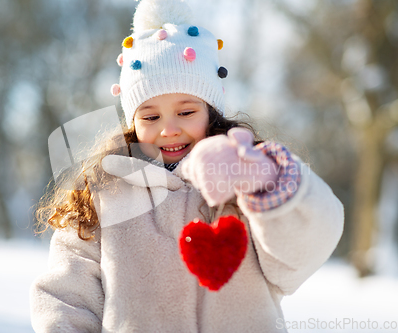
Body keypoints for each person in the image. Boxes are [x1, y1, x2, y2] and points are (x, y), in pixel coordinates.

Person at [30, 0, 344, 332]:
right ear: (132, 121)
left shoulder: (245, 178)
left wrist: (264, 180)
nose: (168, 129)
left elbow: (305, 249)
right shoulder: (106, 191)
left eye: (186, 112)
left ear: (211, 112)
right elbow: (67, 296)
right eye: (151, 116)